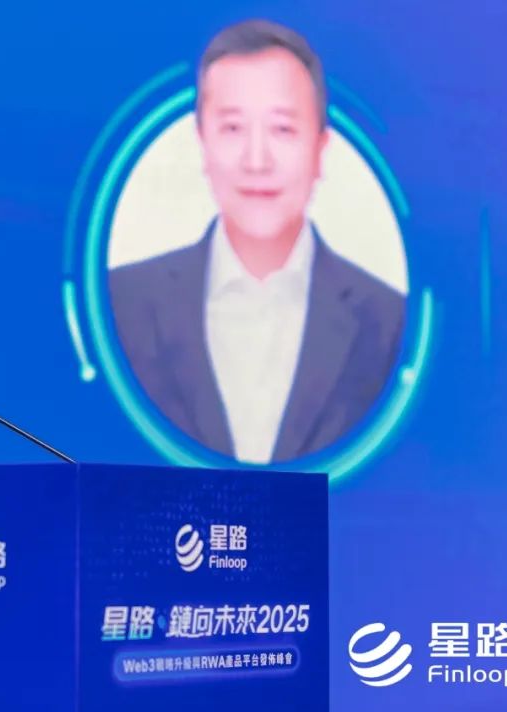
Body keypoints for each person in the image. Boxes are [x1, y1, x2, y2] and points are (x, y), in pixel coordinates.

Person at [109, 19, 404, 464]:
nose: (256, 160)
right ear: (202, 142)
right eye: (232, 129)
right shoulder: (124, 303)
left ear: (320, 149)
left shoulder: (387, 322)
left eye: (282, 129)